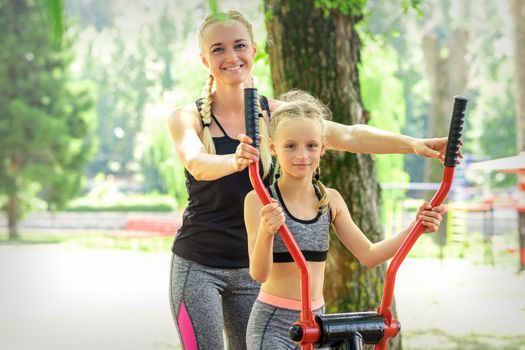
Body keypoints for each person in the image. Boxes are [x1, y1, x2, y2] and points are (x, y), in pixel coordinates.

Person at [168, 10, 455, 350]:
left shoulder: (279, 117)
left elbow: (349, 135)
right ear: (204, 59)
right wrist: (235, 159)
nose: (231, 56)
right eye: (218, 49)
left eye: (239, 45)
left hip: (254, 269)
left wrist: (412, 145)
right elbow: (197, 162)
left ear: (254, 49)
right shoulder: (188, 116)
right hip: (199, 265)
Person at [243, 91, 446, 349]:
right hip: (273, 324)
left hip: (318, 324)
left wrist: (416, 227)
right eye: (290, 146)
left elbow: (370, 255)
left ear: (323, 148)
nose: (302, 155)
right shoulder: (258, 200)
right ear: (273, 148)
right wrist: (266, 231)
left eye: (311, 145)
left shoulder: (331, 200)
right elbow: (259, 274)